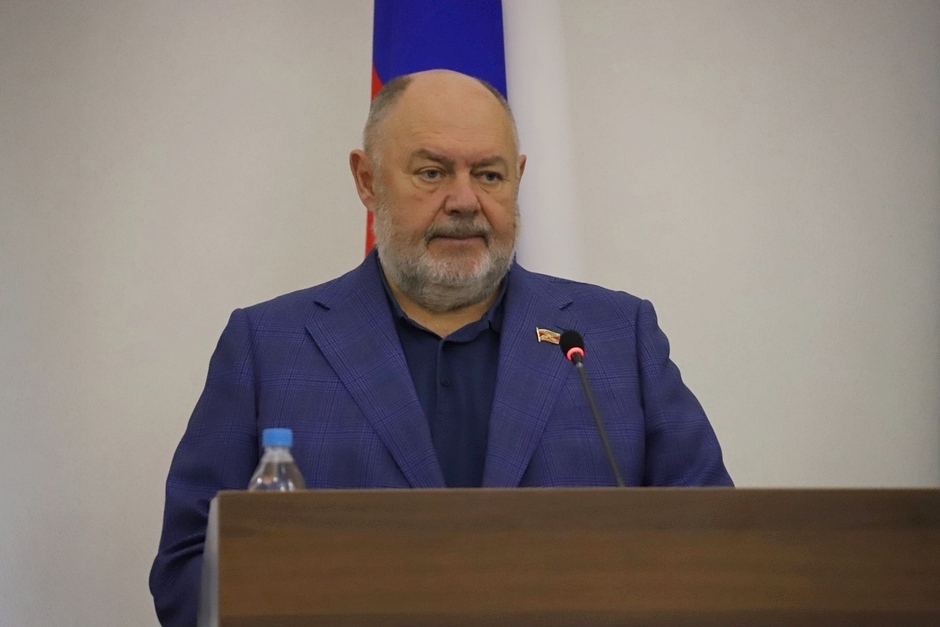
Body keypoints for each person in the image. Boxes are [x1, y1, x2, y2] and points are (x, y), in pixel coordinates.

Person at [150, 69, 732, 626]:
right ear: (367, 181)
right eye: (432, 173)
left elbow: (717, 547)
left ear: (518, 178)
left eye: (490, 175)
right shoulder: (268, 346)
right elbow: (188, 568)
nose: (464, 200)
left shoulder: (614, 336)